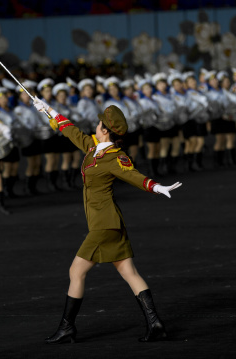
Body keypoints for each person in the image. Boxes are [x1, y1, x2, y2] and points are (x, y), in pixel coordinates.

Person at [33, 98, 182, 344]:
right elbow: (72, 132)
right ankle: (155, 324)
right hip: (107, 223)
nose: (95, 126)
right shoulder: (94, 148)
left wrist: (154, 186)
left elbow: (132, 175)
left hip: (105, 224)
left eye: (99, 123)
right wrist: (48, 110)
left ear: (105, 129)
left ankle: (67, 327)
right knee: (128, 271)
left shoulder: (114, 156)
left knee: (76, 271)